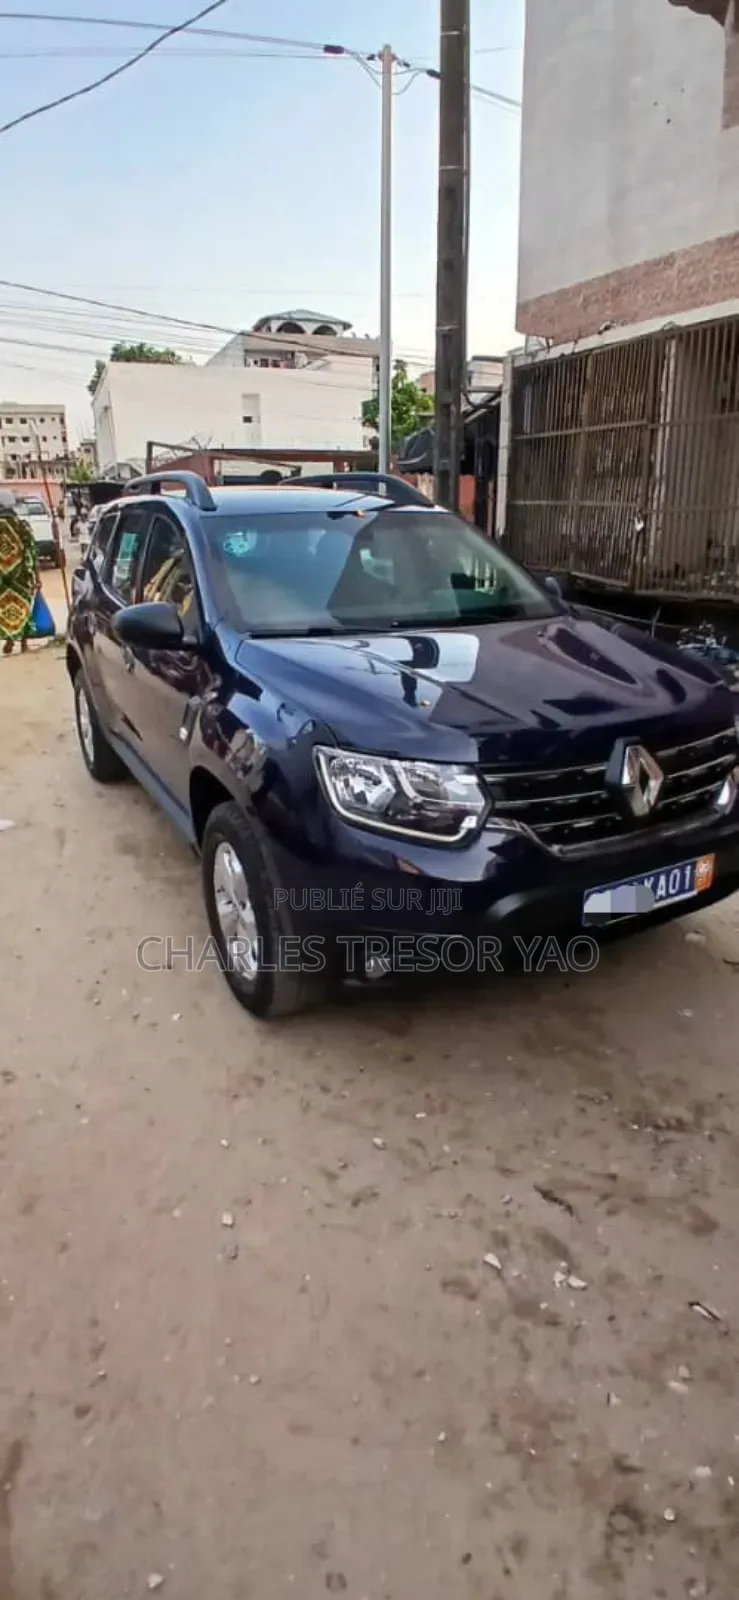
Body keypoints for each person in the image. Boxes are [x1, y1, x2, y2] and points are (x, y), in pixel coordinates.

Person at [0, 487, 41, 656]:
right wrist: (37, 577)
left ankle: (9, 638)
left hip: (2, 577)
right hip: (22, 575)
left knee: (4, 607)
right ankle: (23, 643)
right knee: (23, 606)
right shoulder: (23, 526)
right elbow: (32, 552)